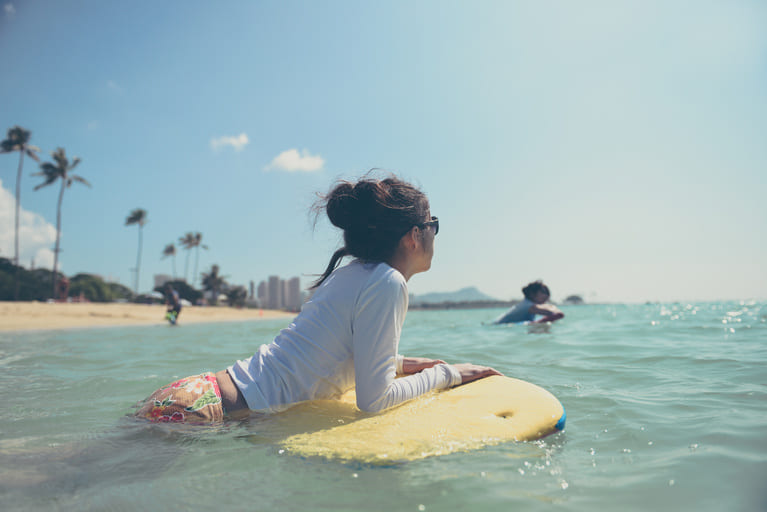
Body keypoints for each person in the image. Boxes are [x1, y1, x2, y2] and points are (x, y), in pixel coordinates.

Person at [135, 175, 501, 423]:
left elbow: (326, 349)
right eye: (432, 225)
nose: (435, 235)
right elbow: (374, 403)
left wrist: (399, 363)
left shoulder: (353, 274)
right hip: (208, 413)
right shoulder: (387, 282)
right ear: (413, 236)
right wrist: (448, 374)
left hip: (197, 395)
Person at [493, 281, 565, 324]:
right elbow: (558, 314)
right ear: (532, 294)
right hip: (497, 327)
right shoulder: (529, 306)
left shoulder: (527, 303)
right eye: (543, 292)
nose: (547, 295)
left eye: (547, 292)